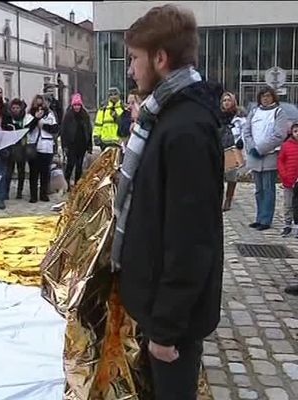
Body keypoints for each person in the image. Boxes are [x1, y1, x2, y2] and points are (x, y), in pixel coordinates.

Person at [113, 5, 223, 399]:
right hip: (159, 305)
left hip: (172, 320)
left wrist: (165, 328)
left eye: (134, 60)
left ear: (160, 59)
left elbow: (191, 239)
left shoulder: (186, 128)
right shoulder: (168, 116)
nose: (130, 70)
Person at [244, 87, 288, 231]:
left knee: (268, 188)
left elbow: (279, 135)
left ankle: (266, 219)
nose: (265, 98)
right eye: (263, 96)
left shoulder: (278, 112)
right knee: (258, 190)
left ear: (273, 97)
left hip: (269, 155)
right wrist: (252, 148)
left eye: (268, 96)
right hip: (255, 155)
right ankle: (259, 217)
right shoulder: (254, 111)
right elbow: (247, 131)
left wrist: (261, 148)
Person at [24, 94, 59, 203]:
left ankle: (44, 193)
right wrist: (36, 119)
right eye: (37, 103)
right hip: (33, 146)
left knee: (45, 172)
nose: (39, 106)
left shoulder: (50, 115)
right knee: (34, 173)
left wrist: (43, 125)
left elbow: (55, 129)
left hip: (46, 146)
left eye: (41, 103)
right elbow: (27, 128)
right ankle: (33, 195)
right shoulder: (29, 115)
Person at [220, 92, 246, 212]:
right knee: (218, 176)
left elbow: (244, 132)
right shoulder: (217, 116)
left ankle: (228, 199)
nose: (226, 102)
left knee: (231, 176)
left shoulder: (239, 117)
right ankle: (218, 198)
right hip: (218, 148)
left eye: (229, 100)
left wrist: (241, 142)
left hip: (232, 148)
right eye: (224, 100)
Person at [61, 93, 92, 190]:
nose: (77, 107)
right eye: (75, 105)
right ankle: (66, 183)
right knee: (70, 164)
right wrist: (64, 146)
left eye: (78, 105)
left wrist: (89, 146)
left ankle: (77, 184)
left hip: (82, 144)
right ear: (72, 105)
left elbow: (89, 131)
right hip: (71, 144)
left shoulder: (85, 115)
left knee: (79, 165)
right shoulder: (68, 116)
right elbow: (63, 131)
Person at [277, 122, 298, 237]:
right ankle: (287, 224)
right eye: (295, 131)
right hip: (289, 180)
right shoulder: (286, 145)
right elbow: (281, 161)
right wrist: (283, 175)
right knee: (288, 204)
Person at [4, 98, 27, 200]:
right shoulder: (8, 118)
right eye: (13, 108)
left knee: (21, 170)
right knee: (9, 170)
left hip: (21, 146)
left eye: (17, 108)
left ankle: (19, 192)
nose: (15, 110)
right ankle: (6, 191)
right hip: (10, 146)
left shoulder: (24, 118)